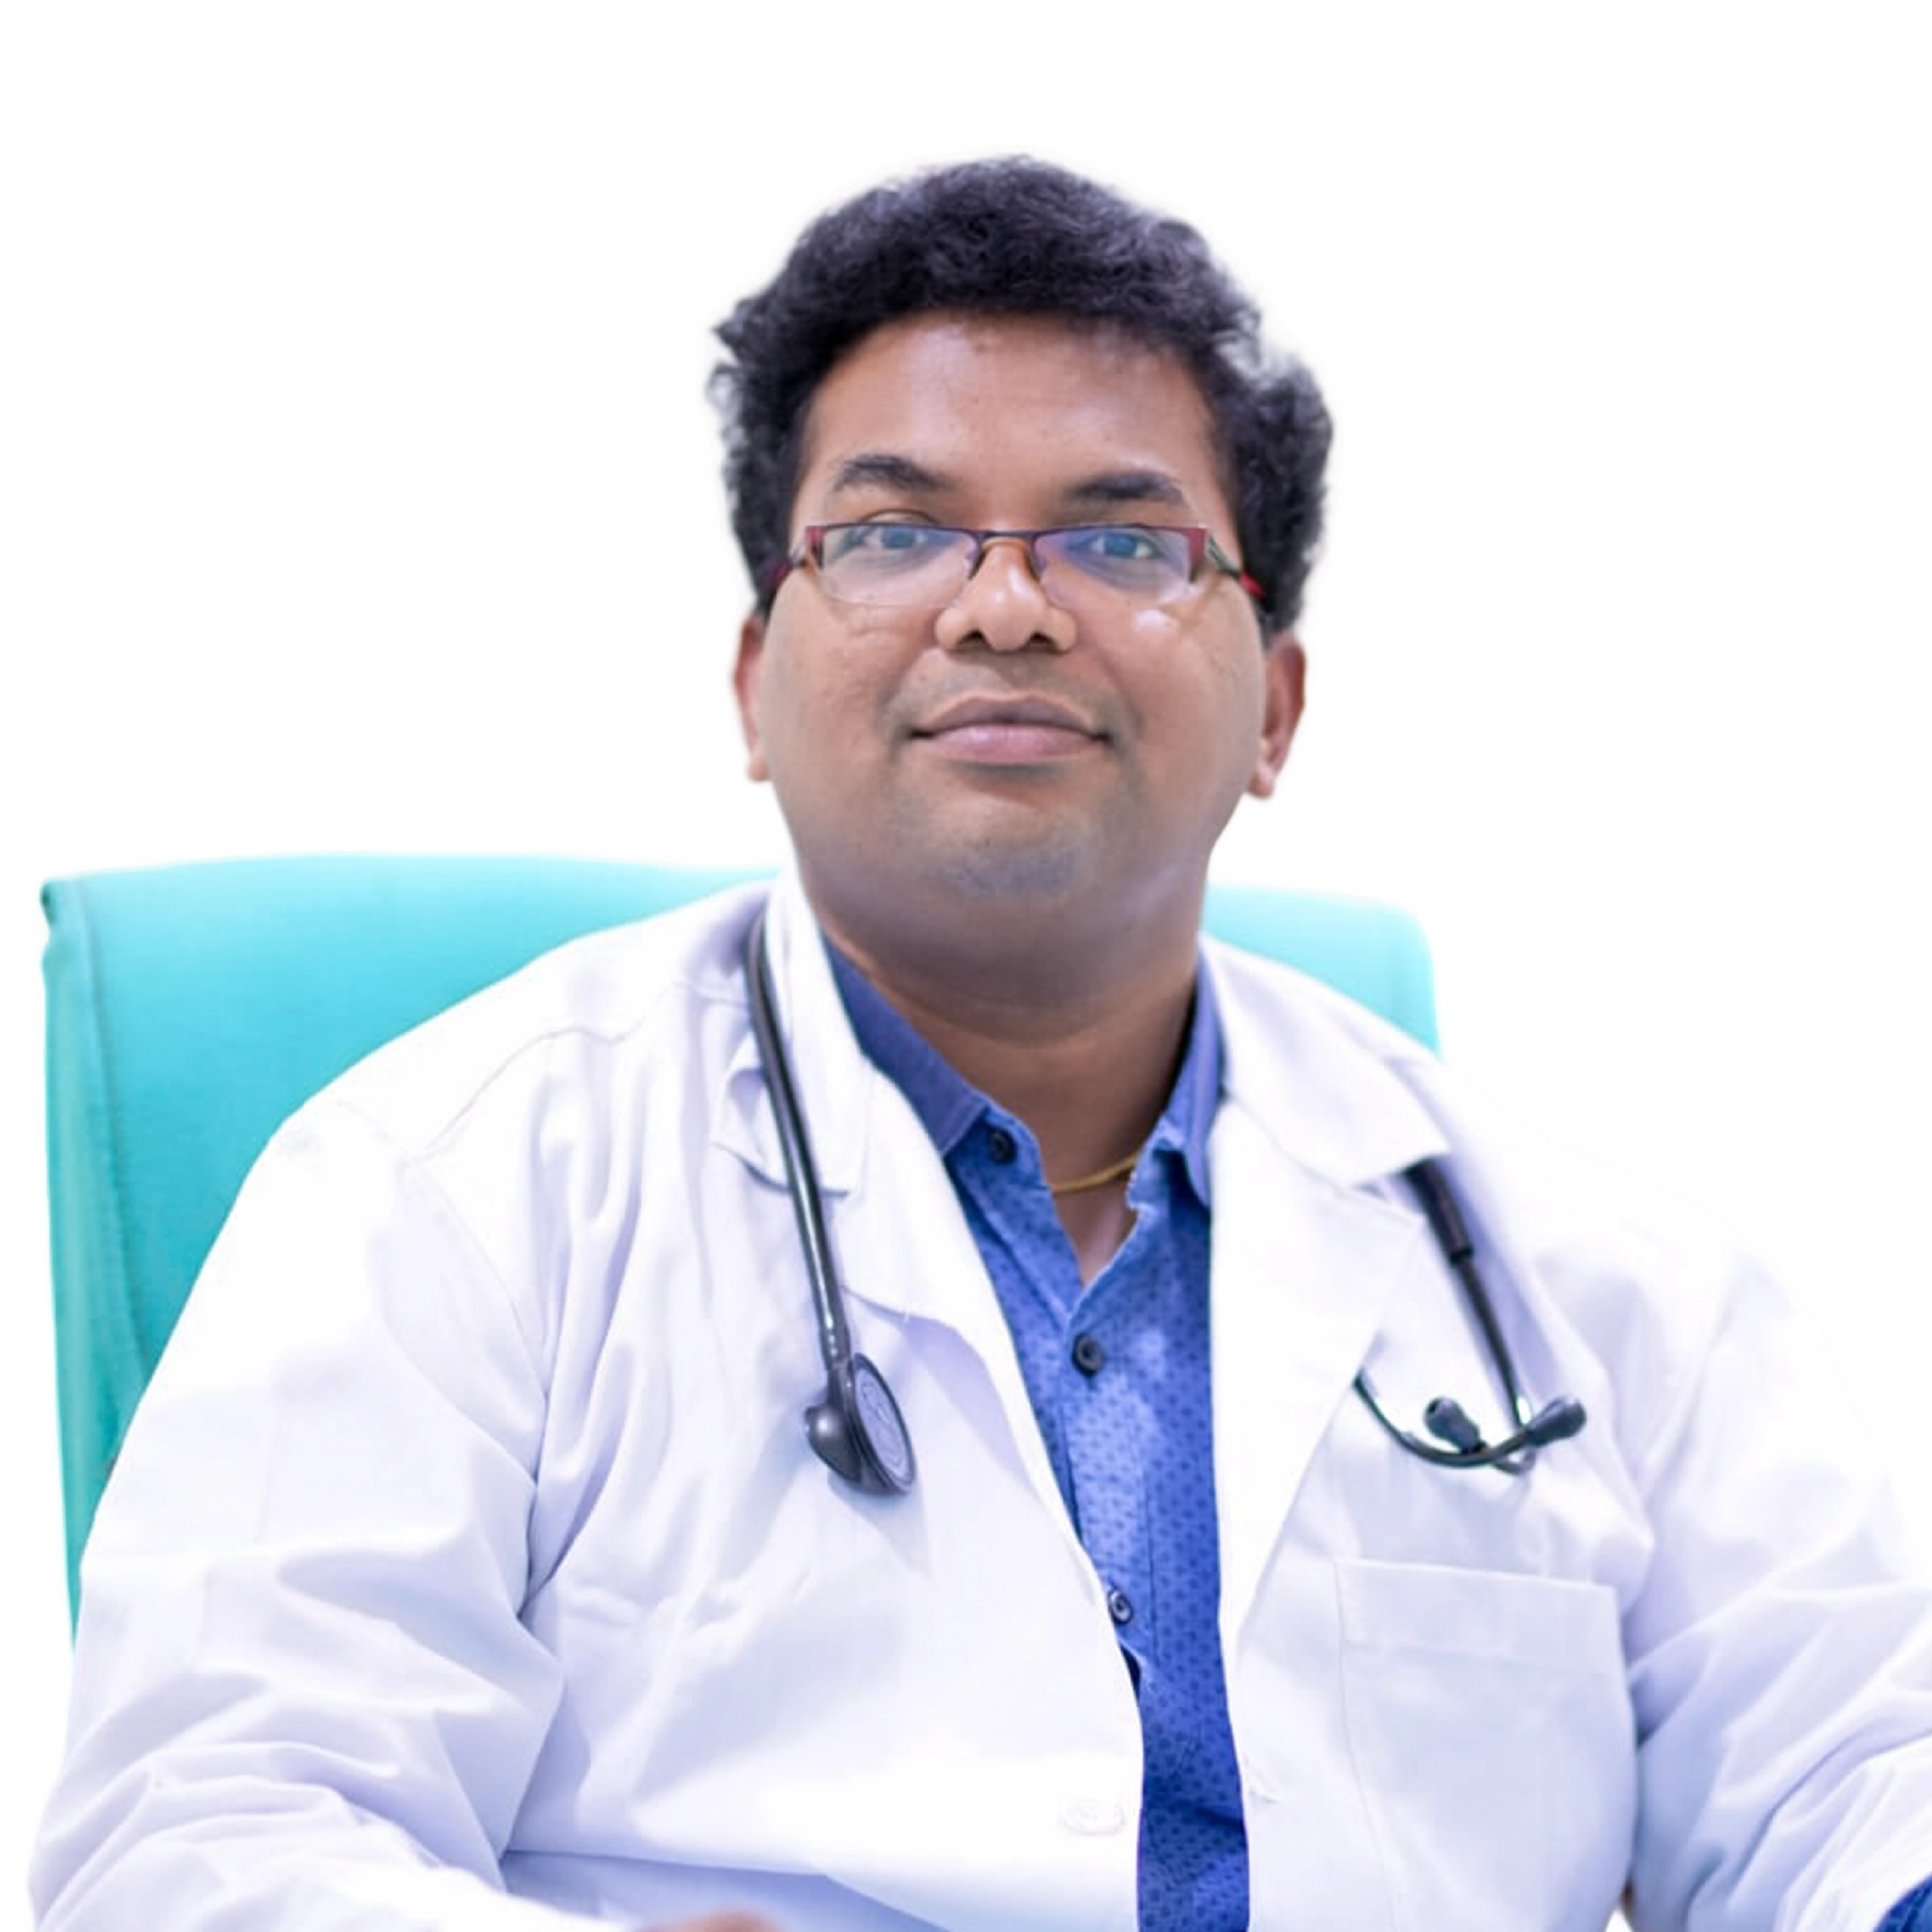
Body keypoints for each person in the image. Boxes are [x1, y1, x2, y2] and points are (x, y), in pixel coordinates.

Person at [30, 156, 1932, 1932]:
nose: (1005, 607)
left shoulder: (1583, 1273)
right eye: (890, 533)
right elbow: (202, 1833)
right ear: (755, 684)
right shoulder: (450, 1188)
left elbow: (1851, 1780)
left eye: (1123, 540)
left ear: (1273, 709)